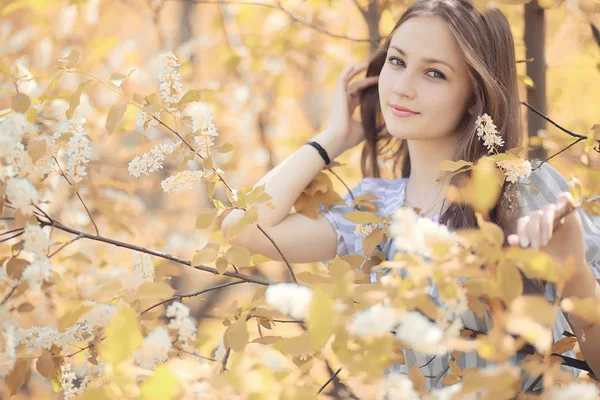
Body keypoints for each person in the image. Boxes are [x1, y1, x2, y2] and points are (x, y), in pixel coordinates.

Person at [222, 0, 600, 392]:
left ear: (475, 95)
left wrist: (576, 278)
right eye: (397, 62)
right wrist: (331, 138)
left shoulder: (529, 189)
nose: (402, 87)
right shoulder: (374, 211)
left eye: (434, 73)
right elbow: (242, 228)